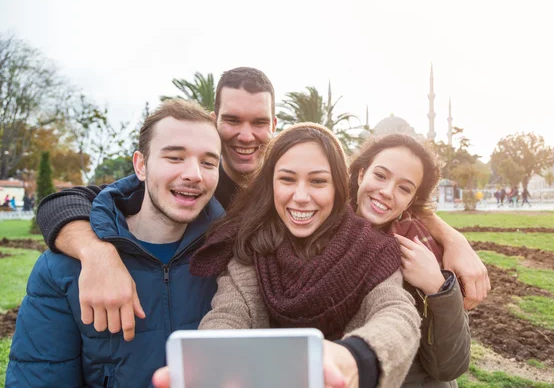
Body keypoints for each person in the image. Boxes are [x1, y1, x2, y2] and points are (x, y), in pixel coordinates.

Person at [32, 67, 489, 342]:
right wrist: (97, 251)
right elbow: (67, 202)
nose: (245, 135)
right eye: (231, 120)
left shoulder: (310, 197)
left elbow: (386, 197)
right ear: (215, 120)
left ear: (276, 124)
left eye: (258, 122)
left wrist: (453, 238)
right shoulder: (189, 185)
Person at [6, 100, 225, 386]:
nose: (194, 174)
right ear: (141, 165)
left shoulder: (231, 258)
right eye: (174, 157)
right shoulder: (62, 268)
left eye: (208, 163)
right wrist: (98, 253)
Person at [189, 123, 422, 387]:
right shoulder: (250, 248)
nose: (301, 196)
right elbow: (229, 314)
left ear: (338, 188)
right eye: (287, 179)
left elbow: (397, 312)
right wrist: (215, 359)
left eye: (318, 181)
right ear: (271, 184)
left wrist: (355, 357)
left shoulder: (373, 249)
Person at [349, 134, 469, 387]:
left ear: (412, 200)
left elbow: (450, 365)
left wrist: (438, 287)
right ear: (361, 175)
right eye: (380, 176)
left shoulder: (424, 251)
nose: (386, 192)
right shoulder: (321, 233)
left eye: (404, 188)